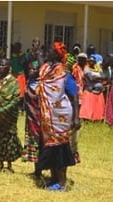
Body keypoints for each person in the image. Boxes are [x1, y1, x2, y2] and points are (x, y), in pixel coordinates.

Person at [36, 41, 80, 191]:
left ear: (56, 54)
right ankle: (54, 178)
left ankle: (62, 183)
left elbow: (74, 96)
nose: (47, 52)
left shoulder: (64, 74)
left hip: (61, 115)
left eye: (50, 50)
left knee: (60, 148)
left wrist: (76, 117)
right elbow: (40, 63)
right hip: (48, 115)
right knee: (50, 147)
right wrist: (37, 52)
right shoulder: (45, 69)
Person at [79, 56, 106, 121]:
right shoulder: (86, 68)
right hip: (90, 90)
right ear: (88, 61)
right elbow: (91, 78)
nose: (92, 62)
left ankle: (98, 118)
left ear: (95, 62)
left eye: (93, 61)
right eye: (90, 61)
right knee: (89, 107)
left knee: (98, 107)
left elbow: (104, 76)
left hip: (99, 90)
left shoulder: (98, 68)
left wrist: (98, 77)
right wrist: (100, 77)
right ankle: (87, 118)